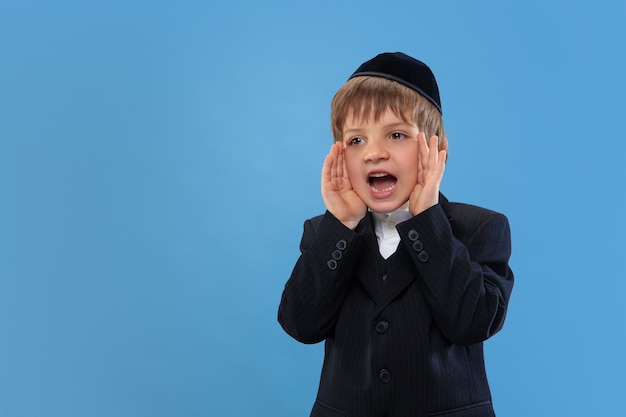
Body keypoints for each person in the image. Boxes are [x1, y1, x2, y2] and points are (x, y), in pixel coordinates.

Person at [278, 52, 514, 417]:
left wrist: (426, 220)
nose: (374, 152)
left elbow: (472, 323)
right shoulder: (325, 234)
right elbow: (301, 324)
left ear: (436, 150)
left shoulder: (479, 229)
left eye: (397, 134)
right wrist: (341, 224)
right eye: (357, 141)